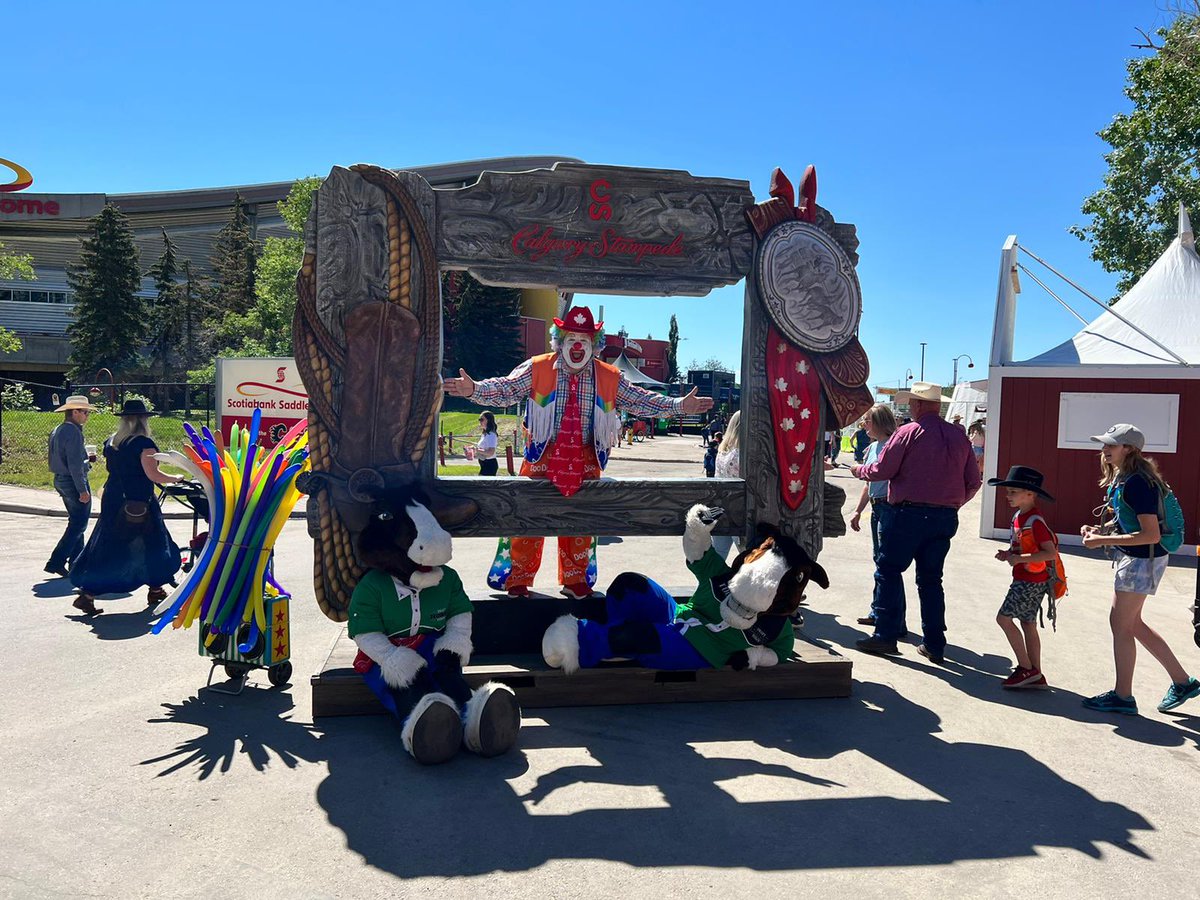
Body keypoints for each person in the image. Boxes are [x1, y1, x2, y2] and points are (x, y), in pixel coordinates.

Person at [444, 305, 712, 599]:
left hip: (585, 457)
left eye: (584, 340)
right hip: (542, 454)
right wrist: (474, 390)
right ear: (559, 342)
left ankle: (575, 579)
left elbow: (639, 400)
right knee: (526, 516)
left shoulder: (609, 376)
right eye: (571, 339)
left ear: (594, 346)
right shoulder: (538, 367)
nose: (577, 346)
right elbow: (506, 389)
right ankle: (518, 578)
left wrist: (677, 407)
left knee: (581, 519)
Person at [849, 382, 981, 663]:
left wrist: (859, 470)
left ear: (918, 405)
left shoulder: (907, 433)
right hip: (944, 516)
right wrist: (954, 502)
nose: (909, 407)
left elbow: (883, 470)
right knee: (931, 580)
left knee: (888, 570)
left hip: (907, 514)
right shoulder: (959, 436)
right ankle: (934, 643)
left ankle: (885, 635)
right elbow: (973, 481)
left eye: (911, 403)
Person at [1079, 424, 1200, 715]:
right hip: (1140, 558)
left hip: (1142, 559)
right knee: (1131, 624)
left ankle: (1123, 697)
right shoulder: (1129, 478)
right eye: (1105, 444)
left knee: (1121, 626)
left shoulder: (1136, 482)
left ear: (1129, 449)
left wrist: (1102, 540)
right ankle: (1183, 682)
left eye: (1112, 445)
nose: (1105, 449)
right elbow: (1135, 524)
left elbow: (1151, 534)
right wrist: (1100, 530)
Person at [69, 399, 183, 616]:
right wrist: (176, 478)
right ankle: (156, 587)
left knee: (109, 543)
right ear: (143, 420)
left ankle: (88, 593)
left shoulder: (112, 442)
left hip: (113, 498)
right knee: (153, 542)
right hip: (138, 501)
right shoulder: (144, 444)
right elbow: (153, 475)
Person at [989, 466, 1058, 690]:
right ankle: (1035, 674)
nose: (1008, 496)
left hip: (1029, 581)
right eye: (1008, 492)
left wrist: (1019, 559)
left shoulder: (1035, 521)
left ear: (1030, 494)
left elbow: (1050, 553)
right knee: (1028, 623)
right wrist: (1009, 554)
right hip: (1027, 578)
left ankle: (1026, 668)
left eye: (1013, 492)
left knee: (1004, 619)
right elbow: (1021, 547)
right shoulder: (1020, 517)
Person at [847, 404, 898, 627]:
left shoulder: (891, 446)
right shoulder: (874, 447)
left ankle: (885, 615)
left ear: (878, 422)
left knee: (886, 565)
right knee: (882, 563)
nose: (863, 425)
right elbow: (869, 483)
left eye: (866, 420)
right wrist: (858, 510)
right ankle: (881, 611)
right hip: (877, 508)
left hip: (888, 508)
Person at [45, 394, 96, 578]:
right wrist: (82, 489)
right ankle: (56, 562)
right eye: (85, 412)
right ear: (74, 412)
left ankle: (77, 563)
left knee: (77, 521)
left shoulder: (58, 429)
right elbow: (75, 464)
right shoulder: (73, 431)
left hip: (61, 479)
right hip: (72, 481)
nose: (87, 416)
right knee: (79, 524)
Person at [711, 411, 742, 560]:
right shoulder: (741, 454)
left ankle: (711, 583)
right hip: (739, 511)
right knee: (748, 556)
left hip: (721, 508)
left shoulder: (723, 450)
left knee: (718, 556)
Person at [476, 411, 499, 476]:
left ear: (488, 420)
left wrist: (477, 450)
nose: (480, 422)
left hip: (489, 465)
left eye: (482, 419)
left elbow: (490, 452)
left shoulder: (491, 435)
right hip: (484, 464)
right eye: (479, 420)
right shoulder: (485, 434)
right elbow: (483, 451)